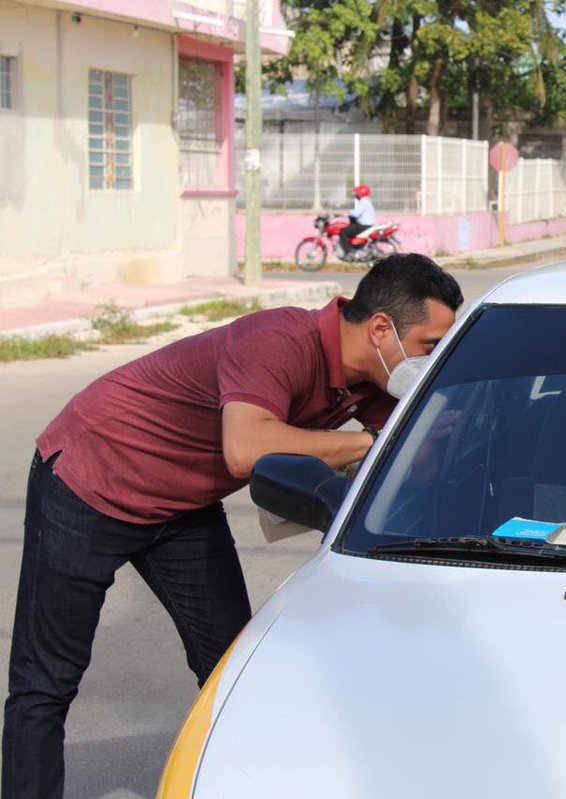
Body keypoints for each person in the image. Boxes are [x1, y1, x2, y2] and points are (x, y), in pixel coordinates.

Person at [2, 253, 463, 798]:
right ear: (381, 329)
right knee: (46, 681)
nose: (429, 363)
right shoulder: (278, 340)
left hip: (183, 506)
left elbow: (415, 468)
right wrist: (373, 444)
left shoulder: (374, 379)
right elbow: (246, 448)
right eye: (429, 348)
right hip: (91, 480)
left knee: (231, 668)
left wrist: (435, 422)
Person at [340, 184, 377, 254]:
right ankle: (356, 248)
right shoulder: (367, 200)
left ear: (360, 193)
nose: (356, 195)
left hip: (363, 226)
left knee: (344, 232)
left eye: (357, 193)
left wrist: (347, 213)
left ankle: (348, 253)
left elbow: (355, 213)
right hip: (367, 225)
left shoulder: (363, 201)